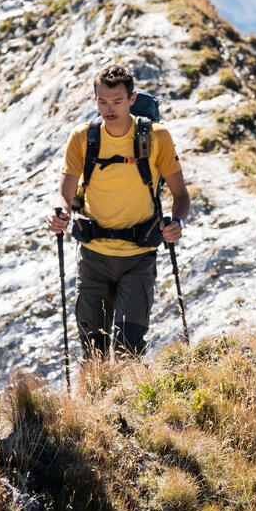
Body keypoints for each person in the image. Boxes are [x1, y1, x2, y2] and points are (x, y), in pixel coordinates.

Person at [49, 62, 190, 358]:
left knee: (129, 347)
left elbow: (181, 194)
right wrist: (61, 212)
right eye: (102, 101)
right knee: (92, 348)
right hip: (93, 255)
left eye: (116, 101)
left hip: (138, 258)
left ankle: (126, 404)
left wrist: (177, 222)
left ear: (132, 99)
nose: (109, 109)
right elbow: (65, 192)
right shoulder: (82, 138)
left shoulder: (157, 137)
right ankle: (92, 404)